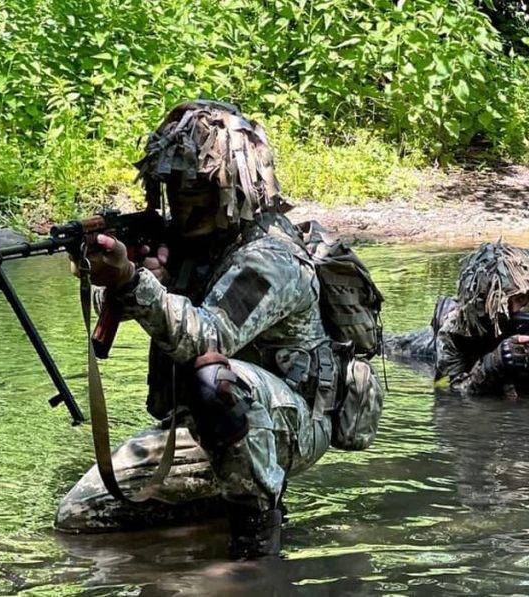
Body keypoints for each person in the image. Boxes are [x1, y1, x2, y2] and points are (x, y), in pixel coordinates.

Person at [55, 100, 383, 559]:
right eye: (170, 186)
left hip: (291, 419)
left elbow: (208, 337)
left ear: (229, 186)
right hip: (215, 421)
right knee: (78, 517)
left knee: (215, 378)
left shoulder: (270, 258)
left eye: (193, 189)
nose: (179, 202)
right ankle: (217, 504)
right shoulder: (196, 245)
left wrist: (133, 279)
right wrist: (126, 276)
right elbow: (142, 307)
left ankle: (256, 545)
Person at [385, 241, 529, 399]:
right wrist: (492, 364)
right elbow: (447, 391)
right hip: (430, 346)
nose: (516, 307)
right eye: (504, 301)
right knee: (392, 346)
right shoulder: (459, 325)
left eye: (524, 298)